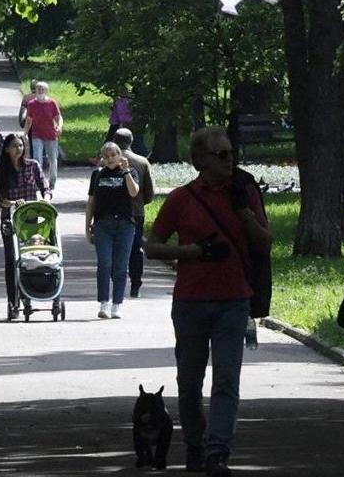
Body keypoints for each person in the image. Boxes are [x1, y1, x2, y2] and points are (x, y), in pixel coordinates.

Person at [145, 126, 271, 476]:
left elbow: (265, 243)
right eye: (221, 155)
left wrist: (246, 214)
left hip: (234, 301)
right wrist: (191, 252)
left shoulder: (245, 194)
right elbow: (152, 246)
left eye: (231, 153)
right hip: (191, 302)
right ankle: (195, 445)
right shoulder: (182, 199)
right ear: (200, 160)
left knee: (226, 380)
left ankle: (218, 453)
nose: (229, 160)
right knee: (189, 384)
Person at [0, 133, 51, 319]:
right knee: (12, 260)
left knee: (31, 256)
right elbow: (2, 200)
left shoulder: (32, 166)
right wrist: (14, 203)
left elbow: (44, 187)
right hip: (11, 220)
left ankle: (31, 293)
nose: (18, 149)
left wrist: (46, 198)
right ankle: (13, 301)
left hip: (32, 219)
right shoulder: (1, 171)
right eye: (14, 146)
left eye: (20, 145)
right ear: (7, 149)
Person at [85, 142, 140, 319]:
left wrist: (126, 171)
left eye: (113, 155)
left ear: (119, 156)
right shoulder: (98, 175)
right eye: (106, 156)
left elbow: (134, 192)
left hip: (125, 225)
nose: (110, 159)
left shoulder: (130, 172)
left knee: (121, 266)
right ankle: (104, 303)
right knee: (105, 263)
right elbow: (91, 202)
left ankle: (117, 304)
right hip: (103, 225)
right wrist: (87, 227)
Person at [113, 128, 155, 298]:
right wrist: (140, 202)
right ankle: (136, 284)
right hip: (135, 212)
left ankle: (117, 283)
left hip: (114, 213)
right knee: (135, 249)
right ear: (131, 141)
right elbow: (150, 193)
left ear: (115, 141)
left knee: (116, 248)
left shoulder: (108, 161)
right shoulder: (142, 162)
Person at [23, 81, 63, 190]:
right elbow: (28, 120)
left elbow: (58, 118)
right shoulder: (31, 104)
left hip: (51, 136)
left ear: (46, 91)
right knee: (37, 159)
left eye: (42, 89)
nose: (40, 91)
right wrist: (25, 133)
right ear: (35, 91)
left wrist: (59, 127)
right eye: (38, 89)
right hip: (37, 136)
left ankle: (52, 182)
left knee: (53, 160)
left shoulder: (52, 103)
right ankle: (38, 182)